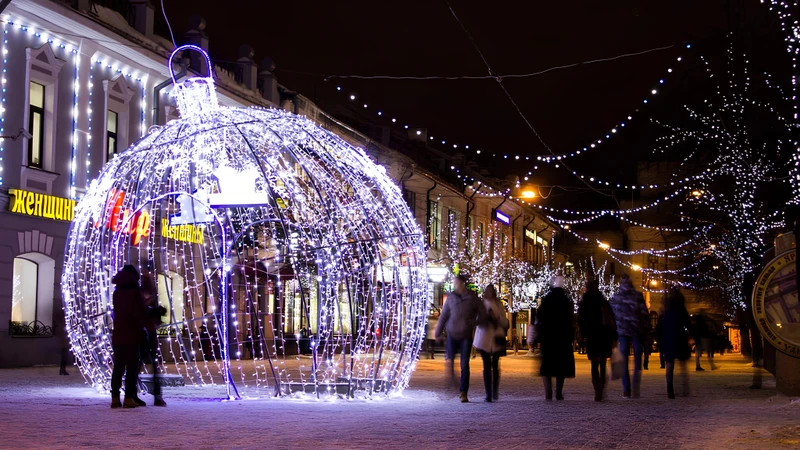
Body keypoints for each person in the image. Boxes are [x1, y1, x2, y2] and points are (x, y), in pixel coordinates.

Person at [435, 274, 488, 403]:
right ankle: (453, 384)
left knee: (465, 363)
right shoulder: (451, 298)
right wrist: (438, 332)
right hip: (452, 334)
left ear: (462, 283)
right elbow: (444, 316)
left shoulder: (472, 297)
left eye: (457, 282)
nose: (455, 284)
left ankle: (463, 392)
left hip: (465, 335)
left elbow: (483, 313)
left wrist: (473, 322)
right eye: (454, 282)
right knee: (450, 361)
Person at [534, 275, 575, 400]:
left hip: (549, 337)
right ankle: (558, 391)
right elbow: (570, 319)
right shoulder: (565, 300)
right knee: (560, 367)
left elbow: (539, 314)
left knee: (547, 366)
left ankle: (548, 392)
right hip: (562, 337)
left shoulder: (547, 299)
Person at [609, 273, 651, 398]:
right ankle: (636, 387)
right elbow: (644, 314)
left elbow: (612, 317)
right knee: (638, 360)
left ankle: (627, 390)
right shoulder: (637, 296)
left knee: (624, 361)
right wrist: (647, 330)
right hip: (636, 331)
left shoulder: (615, 297)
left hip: (622, 332)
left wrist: (613, 333)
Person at [110, 265, 146, 409]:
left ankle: (115, 398)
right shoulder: (135, 292)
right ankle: (129, 398)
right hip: (132, 333)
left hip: (118, 334)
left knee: (118, 367)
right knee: (132, 368)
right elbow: (137, 313)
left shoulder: (117, 292)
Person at [578, 279, 618, 402]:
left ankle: (597, 390)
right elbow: (612, 318)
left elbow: (580, 319)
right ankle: (602, 387)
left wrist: (583, 333)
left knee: (594, 364)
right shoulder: (603, 301)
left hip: (592, 335)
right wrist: (613, 336)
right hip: (604, 335)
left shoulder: (585, 302)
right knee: (602, 362)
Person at [473, 284, 509, 402]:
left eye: (492, 291)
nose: (490, 293)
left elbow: (505, 322)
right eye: (488, 291)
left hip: (496, 337)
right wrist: (486, 318)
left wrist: (497, 319)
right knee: (487, 366)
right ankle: (488, 393)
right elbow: (477, 320)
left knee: (495, 365)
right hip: (484, 338)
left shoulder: (499, 304)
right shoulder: (481, 304)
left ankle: (494, 391)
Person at [659, 288, 692, 399]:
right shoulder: (682, 310)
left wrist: (660, 341)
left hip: (668, 339)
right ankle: (685, 389)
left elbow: (660, 327)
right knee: (683, 365)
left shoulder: (665, 311)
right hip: (680, 338)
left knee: (670, 365)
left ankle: (670, 389)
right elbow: (688, 324)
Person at [141, 273, 168, 407]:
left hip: (150, 333)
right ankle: (133, 394)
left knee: (154, 366)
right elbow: (141, 311)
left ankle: (157, 396)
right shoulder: (139, 293)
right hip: (141, 333)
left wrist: (158, 312)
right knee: (138, 365)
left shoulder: (152, 294)